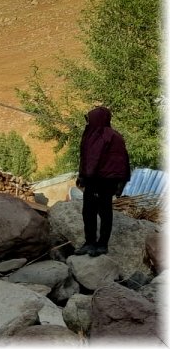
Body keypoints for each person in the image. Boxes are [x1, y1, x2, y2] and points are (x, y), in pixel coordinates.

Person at [76, 105, 130, 257]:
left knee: (104, 211)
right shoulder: (89, 135)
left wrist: (120, 182)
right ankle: (89, 242)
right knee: (88, 211)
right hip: (91, 180)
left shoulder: (113, 137)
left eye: (90, 119)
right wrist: (82, 175)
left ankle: (102, 244)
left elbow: (121, 161)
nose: (88, 122)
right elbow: (85, 158)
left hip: (106, 180)